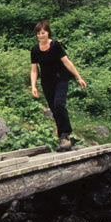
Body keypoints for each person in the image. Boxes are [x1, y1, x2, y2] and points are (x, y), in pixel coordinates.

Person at [30, 20, 87, 151]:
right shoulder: (34, 50)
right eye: (38, 33)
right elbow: (34, 70)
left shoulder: (55, 45)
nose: (41, 35)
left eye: (43, 32)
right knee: (55, 110)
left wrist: (79, 77)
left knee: (59, 105)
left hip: (60, 78)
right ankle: (63, 137)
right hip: (46, 82)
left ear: (48, 33)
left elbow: (67, 63)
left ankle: (65, 134)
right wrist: (34, 86)